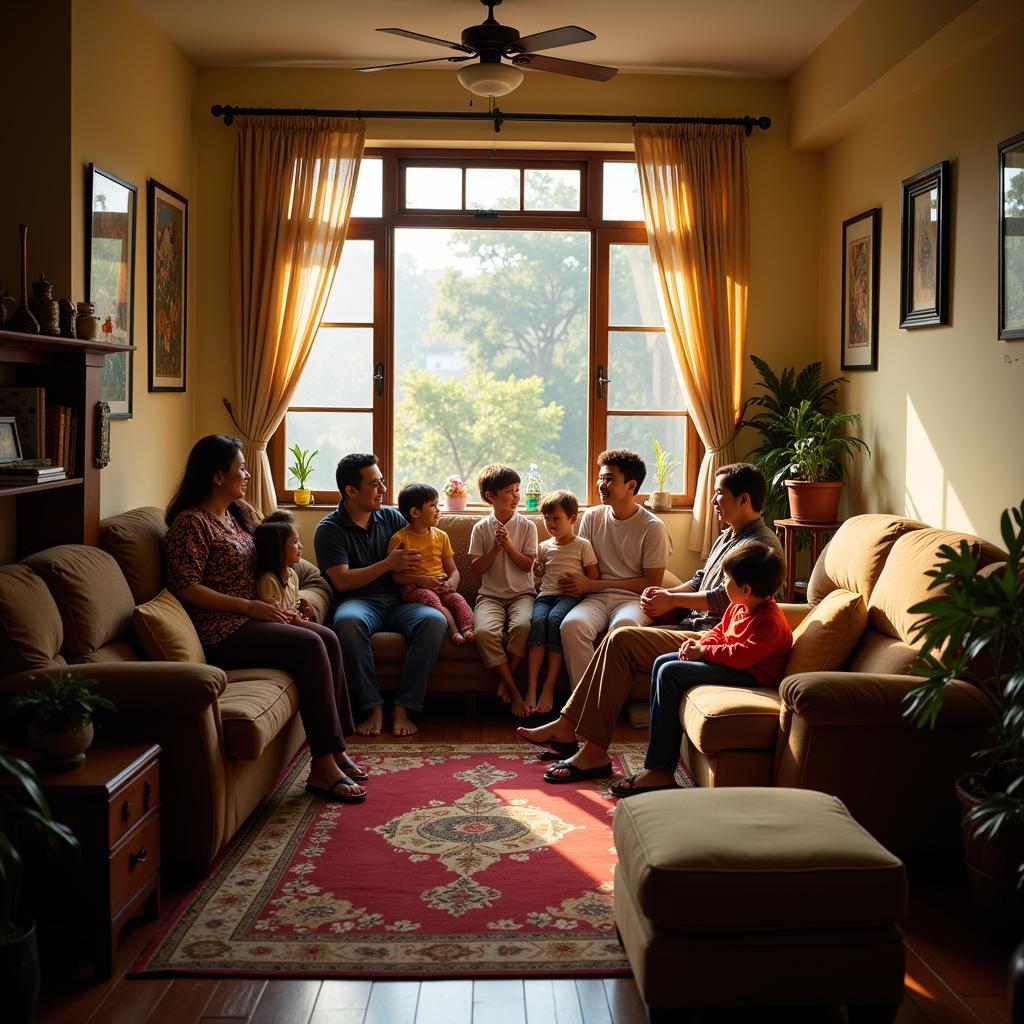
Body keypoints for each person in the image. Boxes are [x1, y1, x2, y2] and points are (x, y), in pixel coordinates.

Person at [519, 461, 782, 780]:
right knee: (614, 640)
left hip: (712, 634)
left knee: (622, 638)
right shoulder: (730, 533)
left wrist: (673, 599)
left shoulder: (760, 545)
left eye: (719, 494)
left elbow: (724, 598)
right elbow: (701, 580)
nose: (713, 501)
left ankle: (585, 742)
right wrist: (666, 593)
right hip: (694, 627)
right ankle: (574, 731)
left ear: (743, 500)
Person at [165, 435, 366, 804]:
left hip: (258, 616)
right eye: (240, 468)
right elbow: (184, 586)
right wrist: (246, 607)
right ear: (216, 476)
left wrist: (292, 601)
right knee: (309, 645)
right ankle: (321, 766)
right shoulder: (191, 523)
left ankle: (335, 750)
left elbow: (275, 559)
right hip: (222, 629)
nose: (245, 474)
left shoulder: (240, 514)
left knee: (328, 636)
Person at [609, 542, 792, 795]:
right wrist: (700, 642)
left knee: (671, 672)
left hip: (753, 675)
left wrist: (704, 652)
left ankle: (660, 770)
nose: (723, 584)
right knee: (663, 662)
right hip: (738, 666)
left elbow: (740, 656)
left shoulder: (769, 622)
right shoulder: (739, 605)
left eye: (727, 579)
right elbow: (720, 632)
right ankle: (659, 758)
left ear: (746, 589)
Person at [315, 454, 447, 738]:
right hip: (359, 601)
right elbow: (341, 581)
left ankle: (404, 705)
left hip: (402, 599)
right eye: (375, 484)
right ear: (351, 491)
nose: (384, 490)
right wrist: (387, 564)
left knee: (434, 621)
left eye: (383, 482)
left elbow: (424, 540)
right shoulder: (329, 529)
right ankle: (372, 706)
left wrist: (434, 579)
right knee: (348, 622)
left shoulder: (391, 516)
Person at [557, 449, 671, 687]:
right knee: (571, 625)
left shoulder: (652, 527)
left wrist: (594, 584)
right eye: (600, 478)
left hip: (633, 600)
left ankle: (603, 704)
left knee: (623, 628)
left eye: (609, 479)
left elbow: (652, 584)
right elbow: (581, 564)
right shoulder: (592, 517)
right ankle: (585, 706)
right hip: (595, 599)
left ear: (630, 485)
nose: (601, 484)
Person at [468, 464, 538, 717]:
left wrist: (508, 546)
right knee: (485, 632)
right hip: (490, 596)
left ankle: (503, 681)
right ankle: (513, 690)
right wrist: (496, 548)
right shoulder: (480, 528)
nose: (517, 496)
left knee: (524, 627)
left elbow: (528, 565)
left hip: (522, 594)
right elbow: (476, 569)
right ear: (491, 497)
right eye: (510, 491)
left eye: (518, 490)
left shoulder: (528, 526)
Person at [525, 490, 598, 716]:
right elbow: (538, 576)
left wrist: (582, 582)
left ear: (572, 519)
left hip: (568, 597)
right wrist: (537, 571)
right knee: (537, 621)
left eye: (555, 518)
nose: (550, 523)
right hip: (545, 595)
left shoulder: (582, 545)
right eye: (546, 518)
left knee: (555, 620)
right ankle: (531, 687)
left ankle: (548, 687)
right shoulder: (544, 546)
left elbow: (593, 576)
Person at [388, 483, 475, 645]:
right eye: (432, 505)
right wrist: (420, 580)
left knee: (457, 599)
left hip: (439, 584)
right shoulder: (399, 539)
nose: (438, 509)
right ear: (415, 512)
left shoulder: (441, 536)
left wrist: (451, 583)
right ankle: (454, 631)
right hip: (414, 588)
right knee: (430, 598)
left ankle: (468, 629)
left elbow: (454, 571)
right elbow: (395, 577)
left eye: (438, 504)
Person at [253, 509, 314, 621]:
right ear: (277, 548)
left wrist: (303, 606)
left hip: (293, 624)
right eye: (295, 541)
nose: (301, 546)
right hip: (278, 628)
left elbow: (294, 605)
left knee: (328, 635)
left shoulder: (292, 575)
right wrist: (296, 621)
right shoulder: (268, 580)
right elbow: (273, 615)